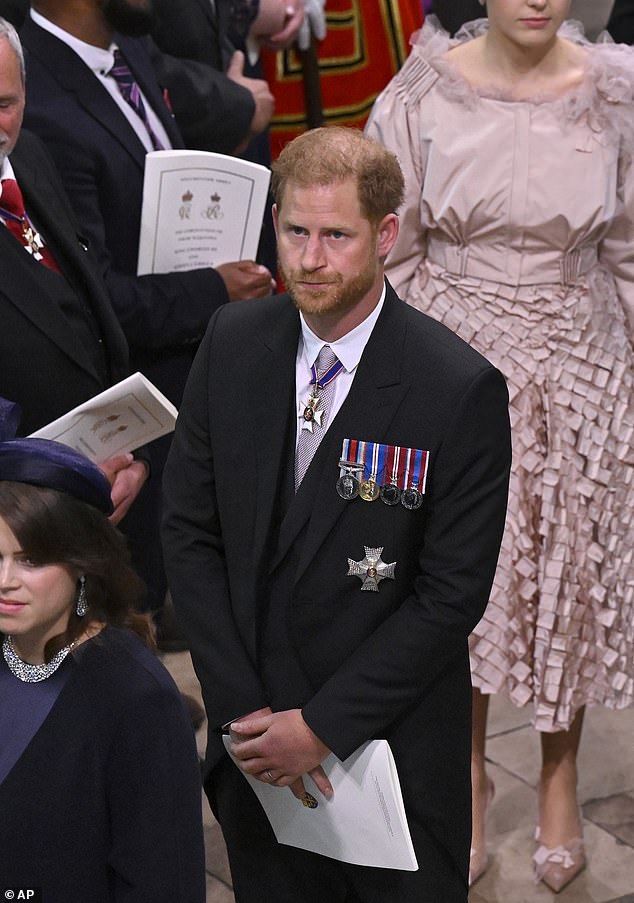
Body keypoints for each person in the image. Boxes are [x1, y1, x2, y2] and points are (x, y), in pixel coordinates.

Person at [162, 126, 511, 903]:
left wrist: (319, 724)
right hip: (254, 743)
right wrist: (244, 708)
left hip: (388, 748)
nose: (311, 259)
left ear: (385, 235)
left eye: (336, 236)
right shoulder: (233, 339)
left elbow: (451, 593)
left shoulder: (455, 387)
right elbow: (188, 531)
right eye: (294, 231)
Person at [365, 1, 634, 892]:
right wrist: (401, 364)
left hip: (583, 355)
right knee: (462, 572)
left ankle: (560, 772)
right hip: (458, 350)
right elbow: (389, 243)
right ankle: (467, 771)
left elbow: (629, 248)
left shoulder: (615, 95)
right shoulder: (421, 93)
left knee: (577, 575)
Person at [0, 425, 206, 901]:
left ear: (84, 564)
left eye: (30, 560)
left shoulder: (136, 697)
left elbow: (164, 883)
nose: (6, 580)